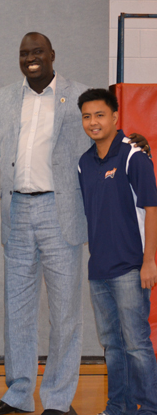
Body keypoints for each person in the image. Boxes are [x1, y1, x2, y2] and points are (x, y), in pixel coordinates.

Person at [0, 32, 150, 415]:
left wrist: (133, 142)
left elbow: (101, 132)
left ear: (51, 56)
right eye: (24, 53)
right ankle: (19, 394)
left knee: (65, 312)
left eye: (37, 52)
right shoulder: (5, 96)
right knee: (18, 309)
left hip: (61, 212)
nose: (31, 58)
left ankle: (59, 400)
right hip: (17, 212)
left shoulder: (77, 95)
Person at [76, 88, 157, 415]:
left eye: (99, 115)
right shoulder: (84, 163)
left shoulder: (133, 155)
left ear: (114, 117)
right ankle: (118, 407)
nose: (93, 122)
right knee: (112, 346)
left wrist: (149, 261)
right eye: (86, 116)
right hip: (99, 272)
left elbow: (151, 208)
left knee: (137, 345)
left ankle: (149, 407)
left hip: (130, 268)